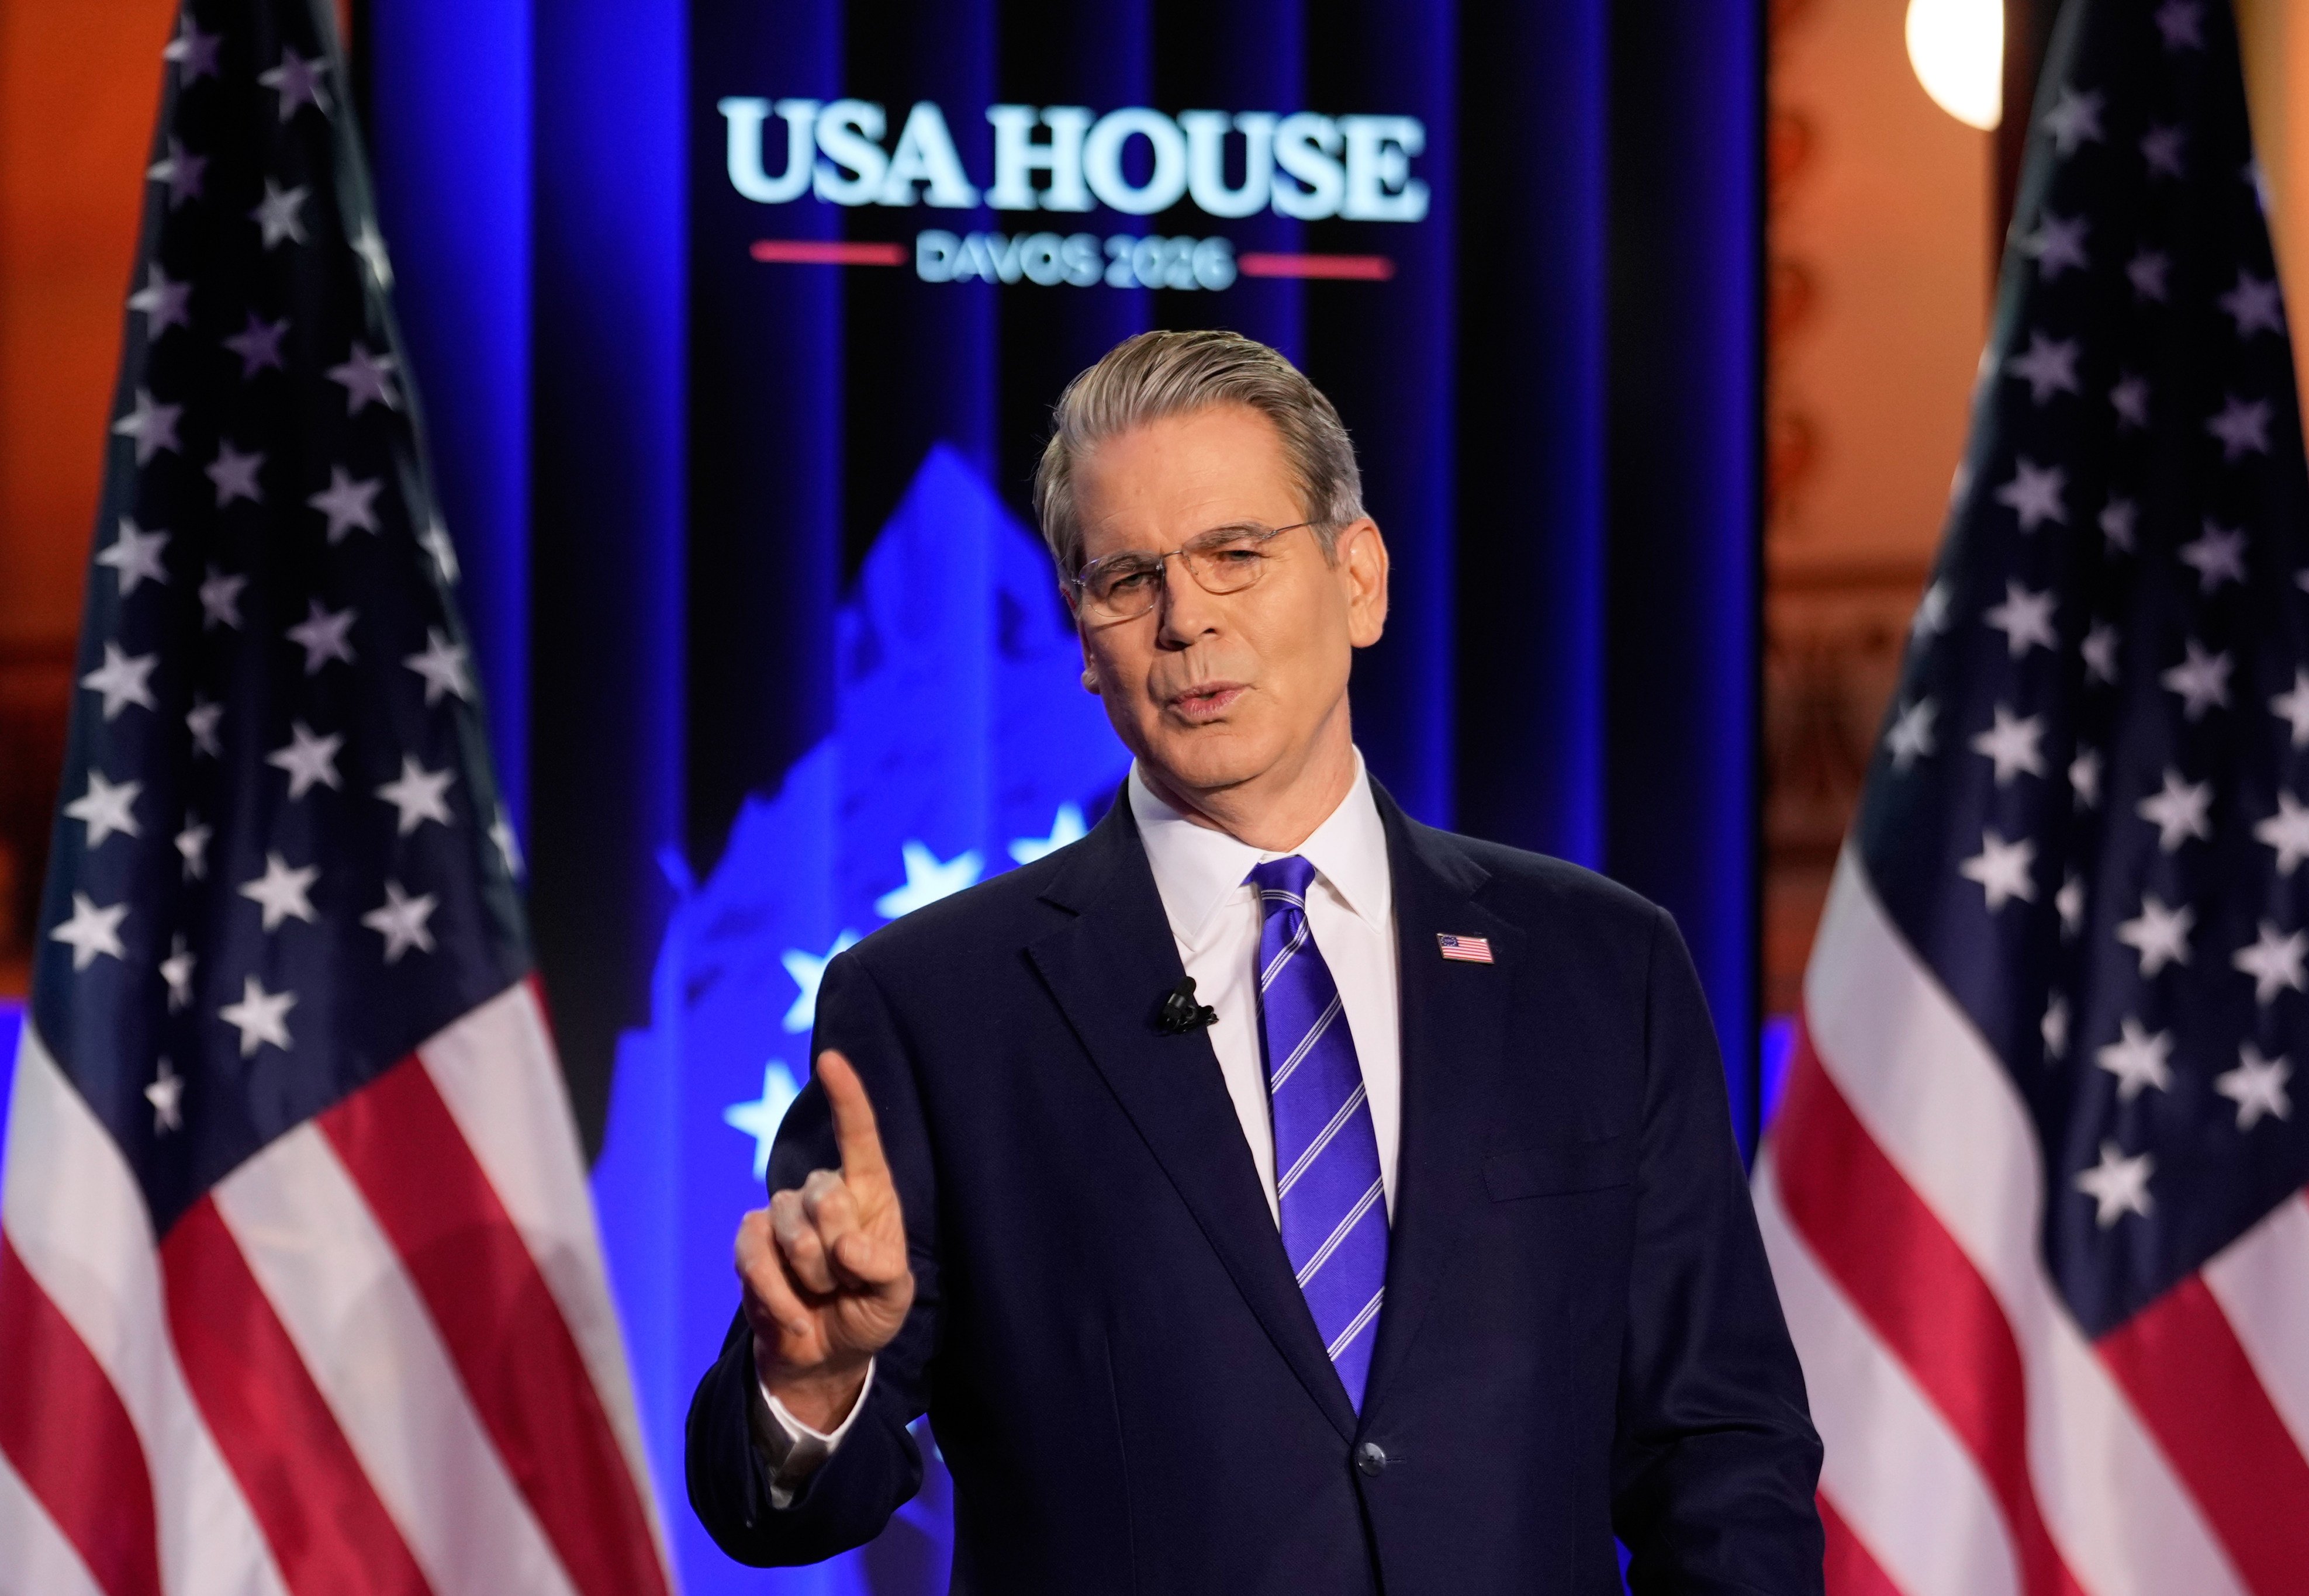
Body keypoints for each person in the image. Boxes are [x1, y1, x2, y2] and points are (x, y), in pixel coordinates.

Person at [685, 330, 1824, 1593]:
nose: (1185, 619)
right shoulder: (933, 1005)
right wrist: (813, 1377)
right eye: (1125, 578)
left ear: (1359, 579)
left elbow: (1719, 1452)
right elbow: (769, 1512)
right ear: (1083, 640)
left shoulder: (1601, 965)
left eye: (1234, 553)